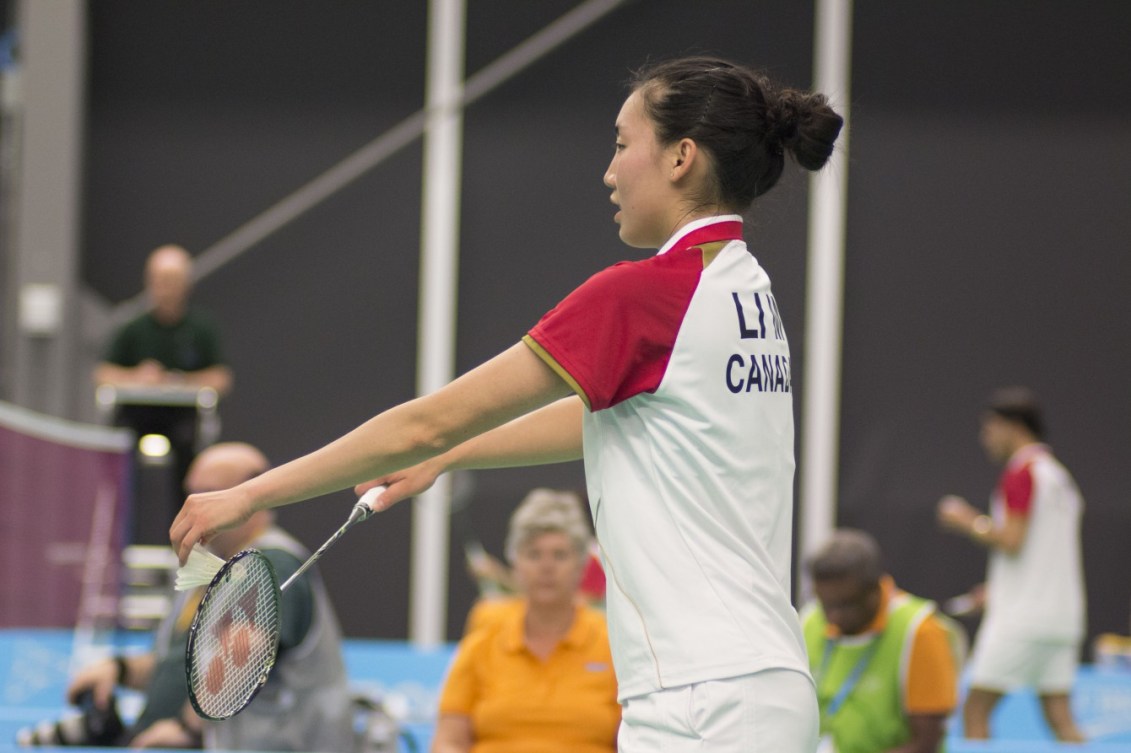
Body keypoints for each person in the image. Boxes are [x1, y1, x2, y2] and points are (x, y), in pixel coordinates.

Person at [171, 56, 844, 752]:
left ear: (680, 157)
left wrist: (247, 494)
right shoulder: (743, 290)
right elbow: (611, 421)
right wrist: (449, 456)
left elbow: (426, 418)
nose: (609, 172)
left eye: (621, 143)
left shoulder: (644, 296)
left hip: (702, 700)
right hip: (757, 681)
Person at [66, 443, 353, 751]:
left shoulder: (271, 563)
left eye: (210, 494)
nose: (193, 508)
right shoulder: (210, 565)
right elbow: (186, 668)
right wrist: (119, 670)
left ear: (253, 495)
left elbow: (239, 657)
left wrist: (187, 727)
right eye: (191, 494)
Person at [936, 386, 1086, 742]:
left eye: (989, 428)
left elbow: (1012, 540)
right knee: (1061, 719)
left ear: (1012, 427)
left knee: (975, 712)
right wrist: (998, 589)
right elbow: (1043, 553)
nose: (984, 438)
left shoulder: (1022, 473)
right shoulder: (1059, 477)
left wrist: (965, 519)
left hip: (1023, 620)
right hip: (1063, 617)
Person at [433, 488, 619, 753]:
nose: (546, 566)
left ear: (581, 565)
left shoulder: (610, 642)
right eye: (533, 554)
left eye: (559, 555)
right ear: (516, 563)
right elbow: (448, 741)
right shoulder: (484, 637)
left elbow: (634, 739)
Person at [94, 244, 232, 511]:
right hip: (137, 416)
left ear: (186, 285)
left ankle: (185, 527)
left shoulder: (200, 329)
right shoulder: (133, 328)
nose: (165, 289)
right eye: (160, 281)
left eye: (172, 281)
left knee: (188, 448)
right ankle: (117, 520)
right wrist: (138, 377)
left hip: (181, 419)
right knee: (120, 447)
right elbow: (103, 373)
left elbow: (221, 378)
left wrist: (179, 381)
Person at [802, 529, 964, 753]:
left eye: (846, 605)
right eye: (826, 605)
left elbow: (926, 744)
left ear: (876, 588)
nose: (834, 617)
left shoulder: (920, 631)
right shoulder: (810, 620)